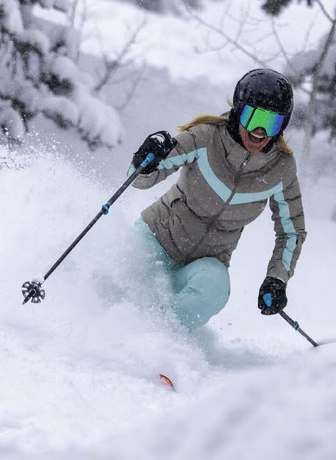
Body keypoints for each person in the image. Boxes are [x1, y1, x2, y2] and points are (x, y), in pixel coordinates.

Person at [128, 68, 306, 331]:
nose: (259, 130)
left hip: (203, 264)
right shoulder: (205, 137)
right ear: (238, 111)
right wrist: (146, 159)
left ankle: (159, 339)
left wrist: (277, 279)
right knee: (123, 284)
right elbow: (140, 180)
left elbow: (291, 232)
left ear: (282, 125)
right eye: (253, 116)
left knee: (215, 287)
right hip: (156, 238)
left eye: (271, 123)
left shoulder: (281, 169)